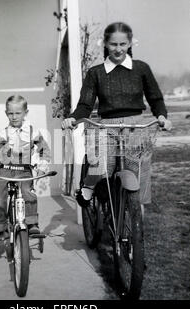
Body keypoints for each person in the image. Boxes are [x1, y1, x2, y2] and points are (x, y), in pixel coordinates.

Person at [61, 22, 172, 208]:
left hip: (136, 127)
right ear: (105, 44)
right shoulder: (95, 73)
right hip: (106, 127)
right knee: (100, 167)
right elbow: (85, 104)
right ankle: (88, 188)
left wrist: (162, 116)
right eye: (113, 44)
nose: (118, 49)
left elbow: (156, 99)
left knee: (137, 171)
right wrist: (73, 117)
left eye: (122, 44)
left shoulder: (141, 68)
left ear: (130, 44)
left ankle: (135, 216)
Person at [0, 95, 51, 239]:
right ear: (6, 113)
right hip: (5, 170)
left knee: (27, 193)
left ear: (25, 113)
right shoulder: (2, 134)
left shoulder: (33, 132)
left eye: (18, 113)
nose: (14, 117)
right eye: (10, 113)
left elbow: (44, 151)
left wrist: (42, 166)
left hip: (24, 171)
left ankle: (32, 224)